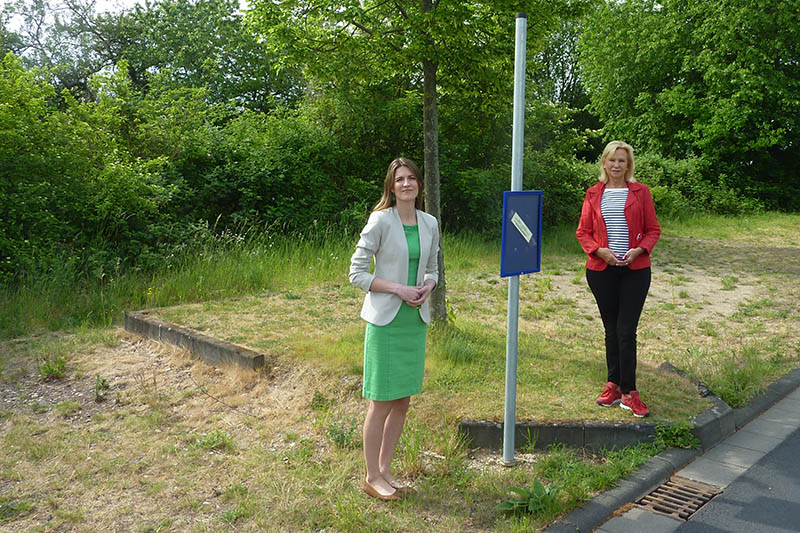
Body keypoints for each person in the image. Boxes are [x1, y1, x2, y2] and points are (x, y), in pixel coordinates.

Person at [349, 157, 439, 500]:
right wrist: (398, 289)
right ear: (391, 186)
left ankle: (385, 471)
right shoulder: (380, 221)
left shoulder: (429, 223)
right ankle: (371, 476)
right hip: (386, 321)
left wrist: (427, 287)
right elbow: (356, 273)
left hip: (414, 322)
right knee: (381, 402)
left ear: (418, 184)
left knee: (402, 401)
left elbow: (432, 269)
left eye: (411, 178)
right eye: (400, 179)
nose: (406, 184)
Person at [576, 141, 660, 418]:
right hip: (602, 271)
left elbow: (653, 230)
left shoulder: (641, 192)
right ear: (604, 163)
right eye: (612, 160)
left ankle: (630, 392)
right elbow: (583, 232)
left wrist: (638, 250)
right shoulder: (592, 194)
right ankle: (613, 385)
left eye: (622, 161)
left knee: (627, 331)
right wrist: (599, 251)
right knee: (611, 330)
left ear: (628, 165)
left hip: (635, 271)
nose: (616, 165)